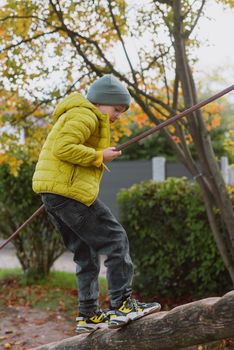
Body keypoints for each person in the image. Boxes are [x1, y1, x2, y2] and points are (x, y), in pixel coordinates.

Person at [32, 74, 161, 333]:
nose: (118, 116)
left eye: (122, 112)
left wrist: (98, 155)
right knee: (115, 239)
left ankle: (89, 314)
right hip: (69, 194)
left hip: (56, 194)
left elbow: (64, 150)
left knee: (86, 254)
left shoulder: (78, 115)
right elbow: (63, 148)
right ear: (102, 102)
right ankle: (122, 304)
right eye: (117, 109)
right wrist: (97, 155)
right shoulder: (86, 114)